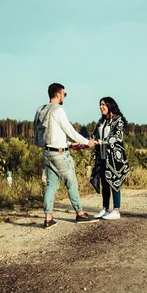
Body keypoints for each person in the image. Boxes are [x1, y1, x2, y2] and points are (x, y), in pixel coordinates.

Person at [34, 83, 98, 228]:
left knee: (51, 185)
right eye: (64, 94)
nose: (64, 97)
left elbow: (51, 134)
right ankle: (80, 214)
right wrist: (87, 142)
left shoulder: (41, 110)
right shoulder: (58, 110)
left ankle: (48, 218)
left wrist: (69, 144)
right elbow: (70, 130)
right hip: (59, 155)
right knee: (72, 183)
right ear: (58, 94)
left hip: (47, 153)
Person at [91, 97, 130, 220]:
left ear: (109, 106)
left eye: (103, 104)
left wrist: (100, 142)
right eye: (100, 105)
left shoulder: (118, 121)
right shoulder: (101, 121)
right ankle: (105, 208)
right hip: (102, 157)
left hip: (114, 159)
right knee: (104, 183)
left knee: (114, 182)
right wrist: (85, 142)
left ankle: (116, 210)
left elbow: (116, 138)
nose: (101, 107)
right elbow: (94, 136)